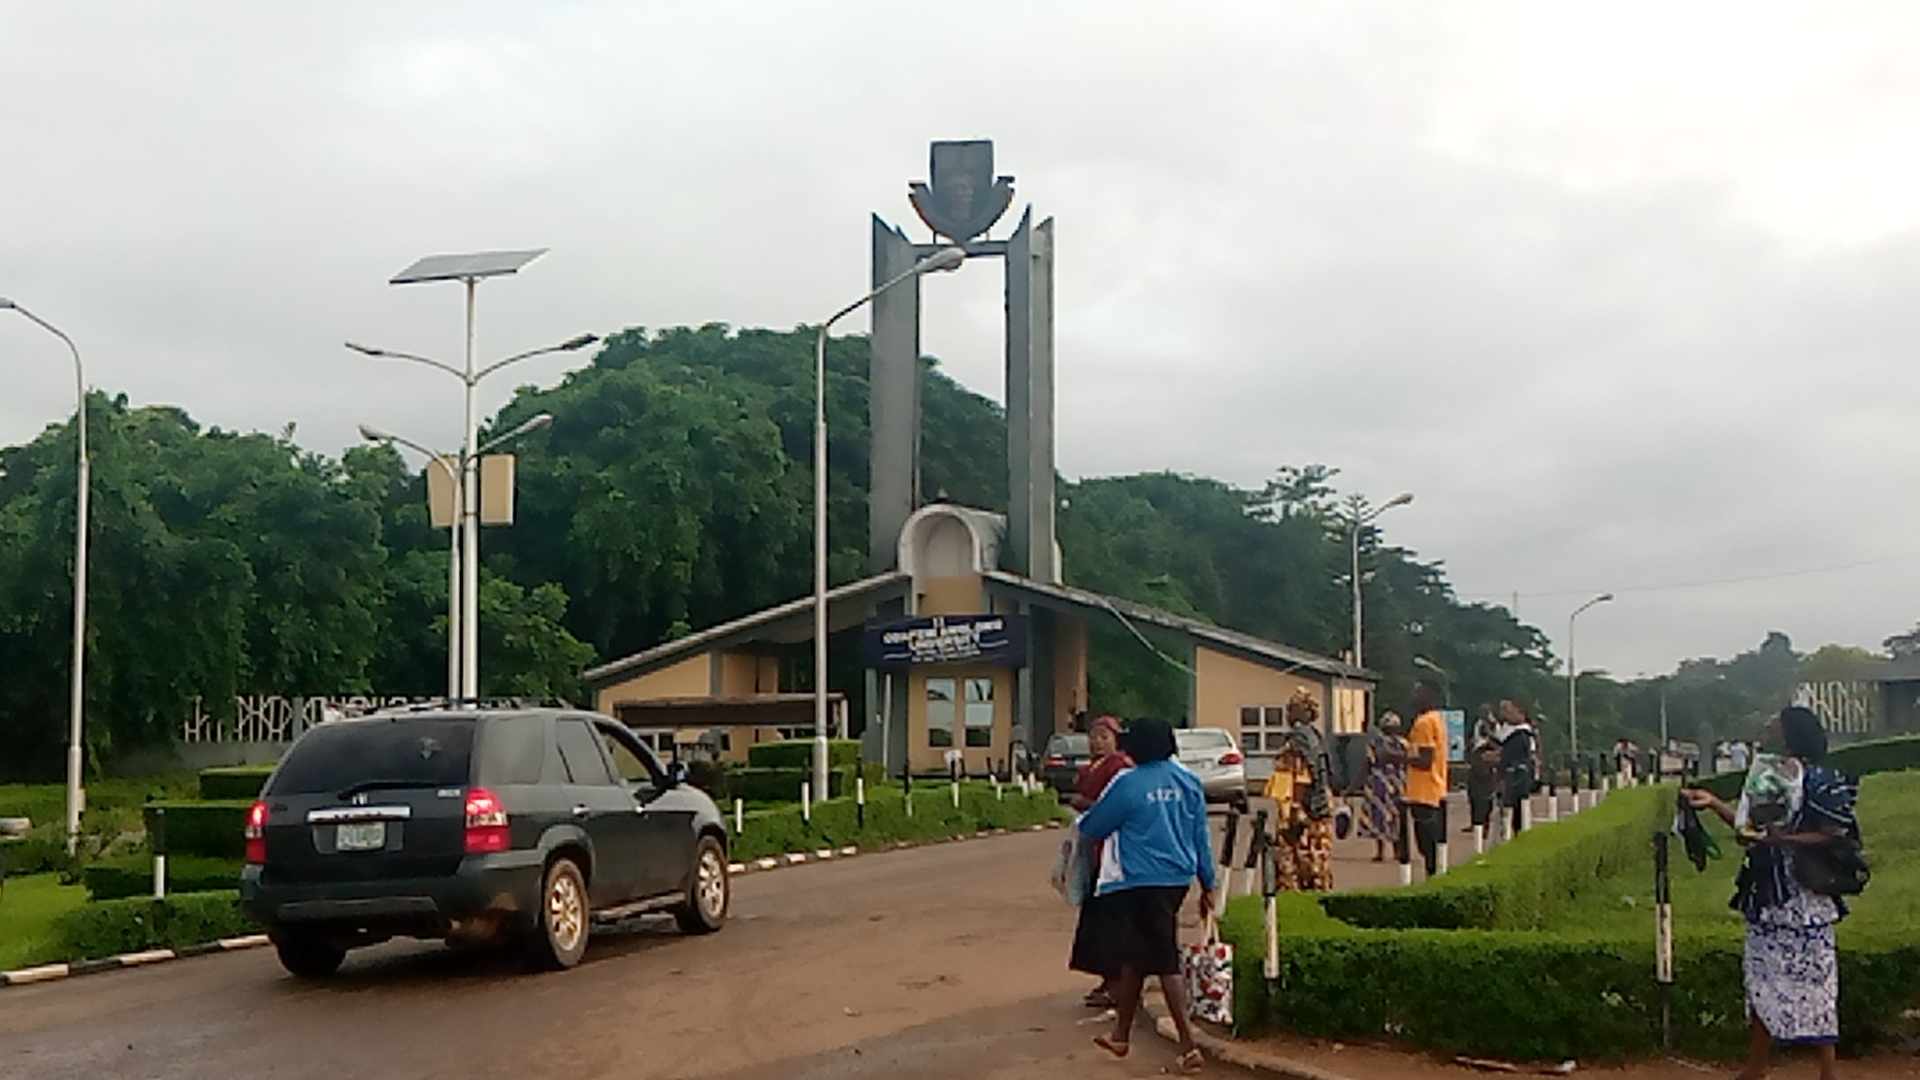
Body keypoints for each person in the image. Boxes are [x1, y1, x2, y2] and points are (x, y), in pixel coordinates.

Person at [1685, 706, 1856, 1080]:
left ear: (1790, 734)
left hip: (1806, 895)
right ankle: (1757, 1067)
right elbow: (1751, 830)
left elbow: (1838, 831)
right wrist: (1714, 804)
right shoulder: (1765, 776)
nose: (1767, 728)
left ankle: (1827, 1071)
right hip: (1768, 894)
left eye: (1776, 725)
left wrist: (1785, 840)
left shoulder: (1820, 780)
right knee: (1761, 981)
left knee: (1817, 985)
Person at [1077, 717, 1215, 1074]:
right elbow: (1201, 836)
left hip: (1138, 880)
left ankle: (1188, 1046)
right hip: (1178, 879)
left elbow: (1094, 826)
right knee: (1136, 955)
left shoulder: (1128, 784)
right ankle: (1120, 1035)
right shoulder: (1188, 782)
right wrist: (1208, 883)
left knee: (1163, 958)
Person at [1066, 715, 1133, 1008]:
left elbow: (1114, 806)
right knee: (1095, 918)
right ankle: (1107, 979)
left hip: (1114, 854)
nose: (1098, 742)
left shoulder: (1119, 767)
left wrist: (1086, 804)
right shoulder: (1091, 766)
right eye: (1094, 736)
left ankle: (1117, 981)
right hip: (1094, 849)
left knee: (1110, 920)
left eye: (1104, 736)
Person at [1262, 688, 1336, 890]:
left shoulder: (1300, 737)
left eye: (1293, 709)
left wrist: (1295, 808)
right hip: (1318, 805)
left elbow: (1302, 775)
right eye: (1288, 709)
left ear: (1305, 712)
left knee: (1293, 857)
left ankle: (1294, 893)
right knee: (1316, 857)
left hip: (1304, 806)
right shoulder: (1315, 735)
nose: (1289, 714)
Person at [1387, 680, 1449, 876]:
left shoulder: (1423, 723)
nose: (1413, 696)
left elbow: (1425, 760)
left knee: (1426, 846)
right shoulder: (1436, 719)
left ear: (1430, 694)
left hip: (1424, 791)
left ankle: (1432, 881)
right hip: (1435, 788)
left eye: (1418, 691)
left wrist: (1394, 757)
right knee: (1432, 848)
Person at [1359, 710, 1408, 862]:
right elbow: (1407, 764)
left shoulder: (1375, 743)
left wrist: (1355, 785)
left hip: (1378, 782)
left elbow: (1368, 763)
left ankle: (1380, 852)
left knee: (1378, 816)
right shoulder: (1403, 743)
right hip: (1397, 782)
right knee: (1395, 816)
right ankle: (1396, 851)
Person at [1494, 700, 1538, 835]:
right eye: (1503, 710)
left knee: (1518, 805)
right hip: (1504, 772)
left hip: (1518, 774)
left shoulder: (1523, 733)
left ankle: (1518, 831)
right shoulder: (1503, 729)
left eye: (1509, 710)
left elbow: (1519, 753)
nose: (1506, 714)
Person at [1465, 705, 1501, 835]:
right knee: (1473, 794)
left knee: (1485, 795)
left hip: (1487, 760)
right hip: (1476, 758)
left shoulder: (1494, 725)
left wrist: (1489, 736)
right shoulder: (1478, 723)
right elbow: (1474, 739)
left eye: (1485, 712)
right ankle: (1475, 822)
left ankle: (1485, 824)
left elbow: (1498, 743)